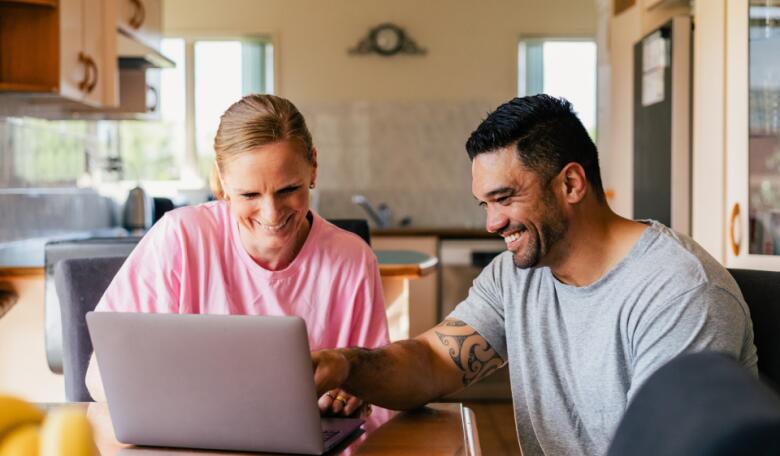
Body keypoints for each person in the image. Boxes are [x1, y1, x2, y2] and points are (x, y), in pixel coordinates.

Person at [312, 95, 758, 455]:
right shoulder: (516, 276)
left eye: (505, 198)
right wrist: (346, 365)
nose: (492, 223)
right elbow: (432, 362)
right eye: (485, 204)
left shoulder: (677, 291)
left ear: (570, 184)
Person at [85, 94, 389, 417]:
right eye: (249, 194)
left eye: (288, 189)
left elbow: (379, 397)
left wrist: (356, 396)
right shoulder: (180, 238)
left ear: (313, 166)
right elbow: (99, 375)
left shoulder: (352, 260)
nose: (272, 215)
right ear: (223, 179)